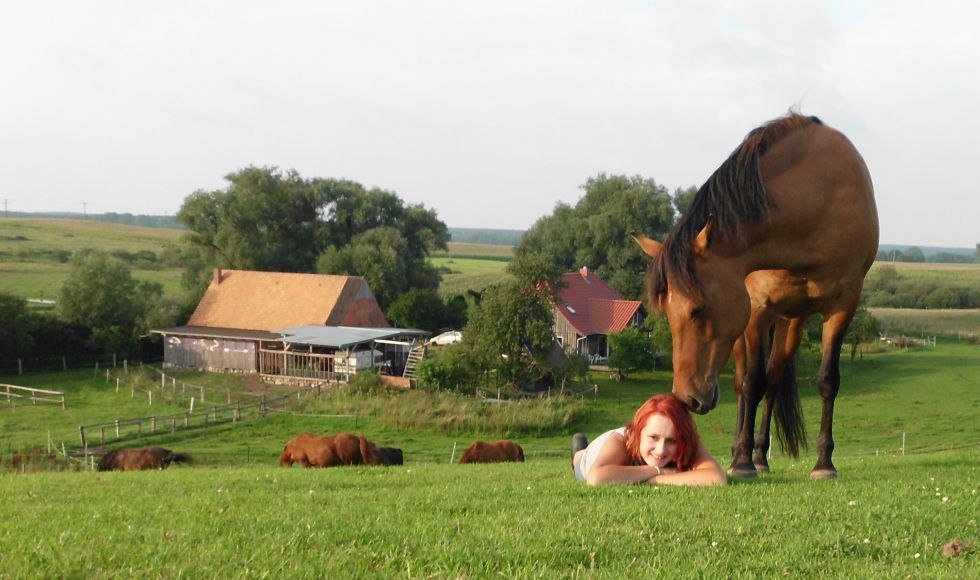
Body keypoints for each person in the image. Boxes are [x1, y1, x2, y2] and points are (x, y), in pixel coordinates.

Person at [571, 393, 726, 486]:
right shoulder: (621, 442)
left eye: (671, 441)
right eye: (653, 437)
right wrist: (656, 470)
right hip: (595, 452)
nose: (661, 450)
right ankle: (579, 448)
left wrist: (658, 479)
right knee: (579, 458)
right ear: (638, 433)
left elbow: (716, 478)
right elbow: (596, 478)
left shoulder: (686, 440)